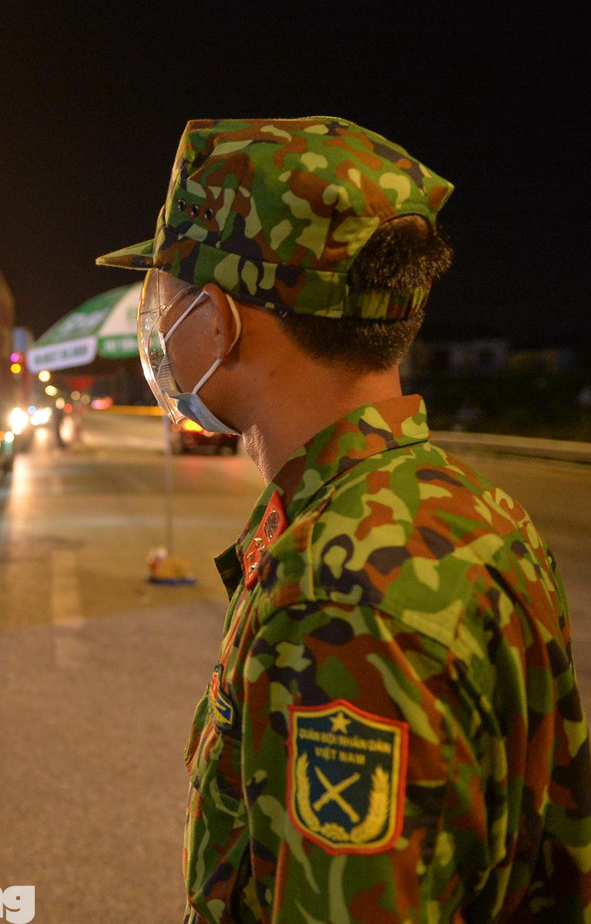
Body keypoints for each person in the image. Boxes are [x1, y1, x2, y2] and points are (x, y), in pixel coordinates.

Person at [97, 117, 591, 922]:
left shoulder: (340, 594)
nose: (160, 328)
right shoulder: (470, 509)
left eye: (168, 296)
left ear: (220, 321)